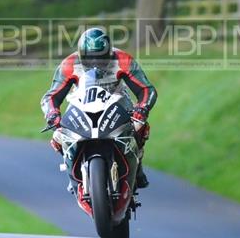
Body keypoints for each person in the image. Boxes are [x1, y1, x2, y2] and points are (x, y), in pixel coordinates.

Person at [40, 27, 157, 190]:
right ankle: (72, 172)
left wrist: (142, 109)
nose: (95, 64)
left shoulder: (122, 59)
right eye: (90, 59)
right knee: (58, 136)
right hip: (81, 102)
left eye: (101, 59)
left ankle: (138, 168)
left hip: (117, 100)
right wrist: (52, 115)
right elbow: (50, 96)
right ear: (80, 54)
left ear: (109, 53)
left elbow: (146, 89)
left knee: (139, 127)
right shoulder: (69, 64)